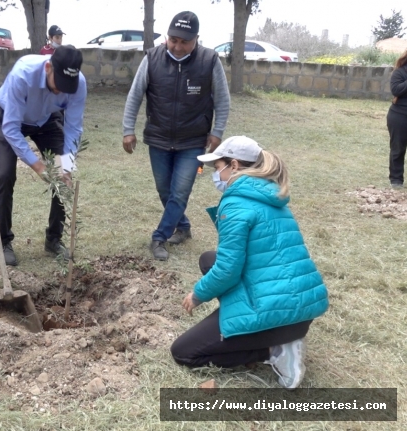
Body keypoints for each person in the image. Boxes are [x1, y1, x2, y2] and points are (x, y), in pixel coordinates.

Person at [170, 136, 329, 389]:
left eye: (217, 167)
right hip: (302, 307)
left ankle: (271, 350)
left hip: (279, 310)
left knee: (184, 352)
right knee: (208, 259)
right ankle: (277, 336)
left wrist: (198, 295)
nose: (216, 174)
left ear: (233, 165)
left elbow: (228, 271)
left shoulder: (236, 204)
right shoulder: (270, 195)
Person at [122, 11, 230, 261]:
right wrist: (128, 129)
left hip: (193, 141)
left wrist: (217, 132)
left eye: (185, 41)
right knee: (164, 190)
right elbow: (135, 95)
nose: (178, 46)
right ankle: (182, 226)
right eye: (173, 40)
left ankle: (160, 236)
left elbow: (223, 100)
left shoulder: (209, 60)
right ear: (166, 38)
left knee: (179, 191)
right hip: (158, 138)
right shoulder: (152, 58)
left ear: (196, 39)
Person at [0, 45, 87, 266]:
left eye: (67, 87)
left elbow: (74, 128)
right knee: (5, 175)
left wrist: (67, 164)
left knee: (63, 177)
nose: (61, 91)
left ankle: (54, 239)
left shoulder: (78, 84)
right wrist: (37, 165)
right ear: (48, 67)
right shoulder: (22, 74)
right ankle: (4, 241)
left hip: (47, 121)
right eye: (59, 85)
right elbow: (11, 128)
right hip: (11, 119)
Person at [388, 49, 407, 189]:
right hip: (400, 115)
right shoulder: (400, 72)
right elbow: (396, 90)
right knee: (398, 148)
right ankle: (396, 180)